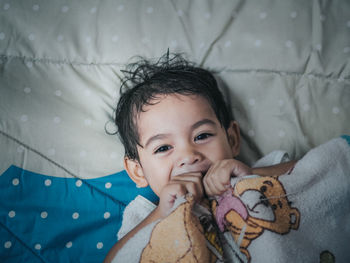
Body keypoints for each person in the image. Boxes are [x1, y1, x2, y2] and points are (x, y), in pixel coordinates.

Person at [104, 52, 296, 262]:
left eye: (202, 136)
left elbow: (318, 171)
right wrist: (161, 214)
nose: (188, 156)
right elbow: (115, 259)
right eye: (163, 148)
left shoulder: (260, 173)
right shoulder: (144, 215)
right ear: (137, 171)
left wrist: (251, 176)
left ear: (232, 140)